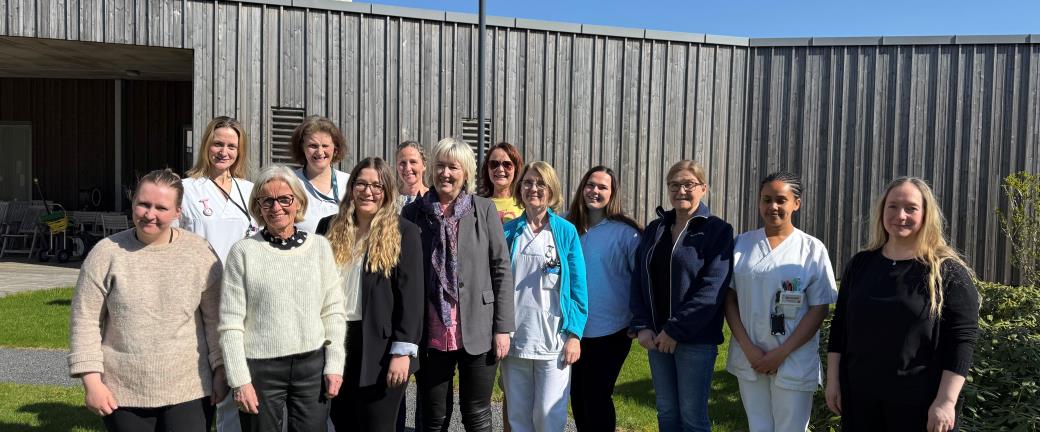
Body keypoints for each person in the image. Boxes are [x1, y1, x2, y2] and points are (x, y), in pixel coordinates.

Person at [68, 169, 225, 431]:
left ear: (178, 212)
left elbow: (216, 319)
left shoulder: (200, 253)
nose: (150, 214)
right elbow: (84, 320)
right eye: (143, 204)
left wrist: (221, 370)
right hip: (122, 390)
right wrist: (92, 382)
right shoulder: (105, 253)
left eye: (161, 208)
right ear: (133, 203)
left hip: (190, 387)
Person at [826, 177, 980, 432]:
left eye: (911, 208)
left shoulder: (947, 271)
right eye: (893, 206)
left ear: (926, 214)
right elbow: (840, 327)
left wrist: (946, 401)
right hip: (860, 402)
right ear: (882, 211)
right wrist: (833, 382)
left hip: (921, 406)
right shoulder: (860, 265)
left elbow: (962, 340)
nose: (901, 215)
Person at [219, 165, 346, 432]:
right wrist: (240, 380)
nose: (276, 207)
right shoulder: (243, 252)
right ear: (258, 207)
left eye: (285, 199)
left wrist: (335, 365)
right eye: (267, 200)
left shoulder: (320, 248)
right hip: (260, 369)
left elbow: (333, 310)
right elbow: (230, 323)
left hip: (311, 367)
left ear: (298, 202)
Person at [401, 137, 514, 432]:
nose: (446, 173)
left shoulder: (484, 209)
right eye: (440, 166)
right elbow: (405, 274)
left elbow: (501, 269)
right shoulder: (413, 214)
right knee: (433, 415)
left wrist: (503, 328)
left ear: (466, 172)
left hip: (478, 326)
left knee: (477, 414)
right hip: (431, 329)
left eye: (453, 167)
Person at [724, 172, 837, 432]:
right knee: (758, 426)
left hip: (793, 357)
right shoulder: (741, 244)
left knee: (791, 428)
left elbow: (819, 308)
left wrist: (781, 353)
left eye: (780, 200)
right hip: (750, 355)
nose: (773, 206)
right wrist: (749, 348)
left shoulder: (812, 249)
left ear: (796, 203)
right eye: (766, 200)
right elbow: (729, 300)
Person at [317, 158, 424, 432]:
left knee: (377, 425)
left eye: (377, 186)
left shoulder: (404, 232)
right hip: (335, 342)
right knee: (343, 423)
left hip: (381, 349)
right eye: (361, 184)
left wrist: (402, 351)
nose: (368, 191)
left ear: (387, 191)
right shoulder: (327, 227)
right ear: (351, 187)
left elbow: (412, 298)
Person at [630, 160, 734, 432]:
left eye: (688, 184)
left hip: (695, 339)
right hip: (656, 337)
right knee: (666, 413)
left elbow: (711, 289)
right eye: (674, 185)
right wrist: (642, 325)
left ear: (703, 188)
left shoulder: (717, 230)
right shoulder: (656, 229)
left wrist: (675, 330)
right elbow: (639, 278)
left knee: (692, 418)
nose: (681, 191)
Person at [501, 161, 588, 432]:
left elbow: (578, 288)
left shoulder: (565, 231)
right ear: (520, 188)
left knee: (548, 417)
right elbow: (497, 283)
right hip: (515, 340)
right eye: (528, 182)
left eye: (541, 183)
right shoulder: (508, 231)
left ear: (552, 190)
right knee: (518, 418)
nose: (534, 188)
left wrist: (574, 335)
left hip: (554, 342)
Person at [564, 165, 641, 432]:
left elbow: (641, 280)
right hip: (572, 330)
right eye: (590, 185)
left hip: (612, 331)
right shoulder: (565, 226)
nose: (594, 191)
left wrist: (639, 319)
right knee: (577, 398)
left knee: (597, 396)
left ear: (612, 193)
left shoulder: (626, 233)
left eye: (602, 187)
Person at [290, 115, 351, 234]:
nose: (320, 152)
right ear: (302, 148)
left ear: (335, 148)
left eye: (325, 146)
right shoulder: (290, 183)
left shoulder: (349, 183)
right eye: (313, 146)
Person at [479, 142, 524, 223]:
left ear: (516, 169)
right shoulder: (478, 205)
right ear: (487, 169)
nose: (500, 169)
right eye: (494, 164)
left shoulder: (524, 204)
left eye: (507, 165)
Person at [396, 140, 428, 210]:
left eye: (413, 162)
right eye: (402, 163)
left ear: (424, 165)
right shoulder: (390, 200)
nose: (408, 168)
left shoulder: (434, 199)